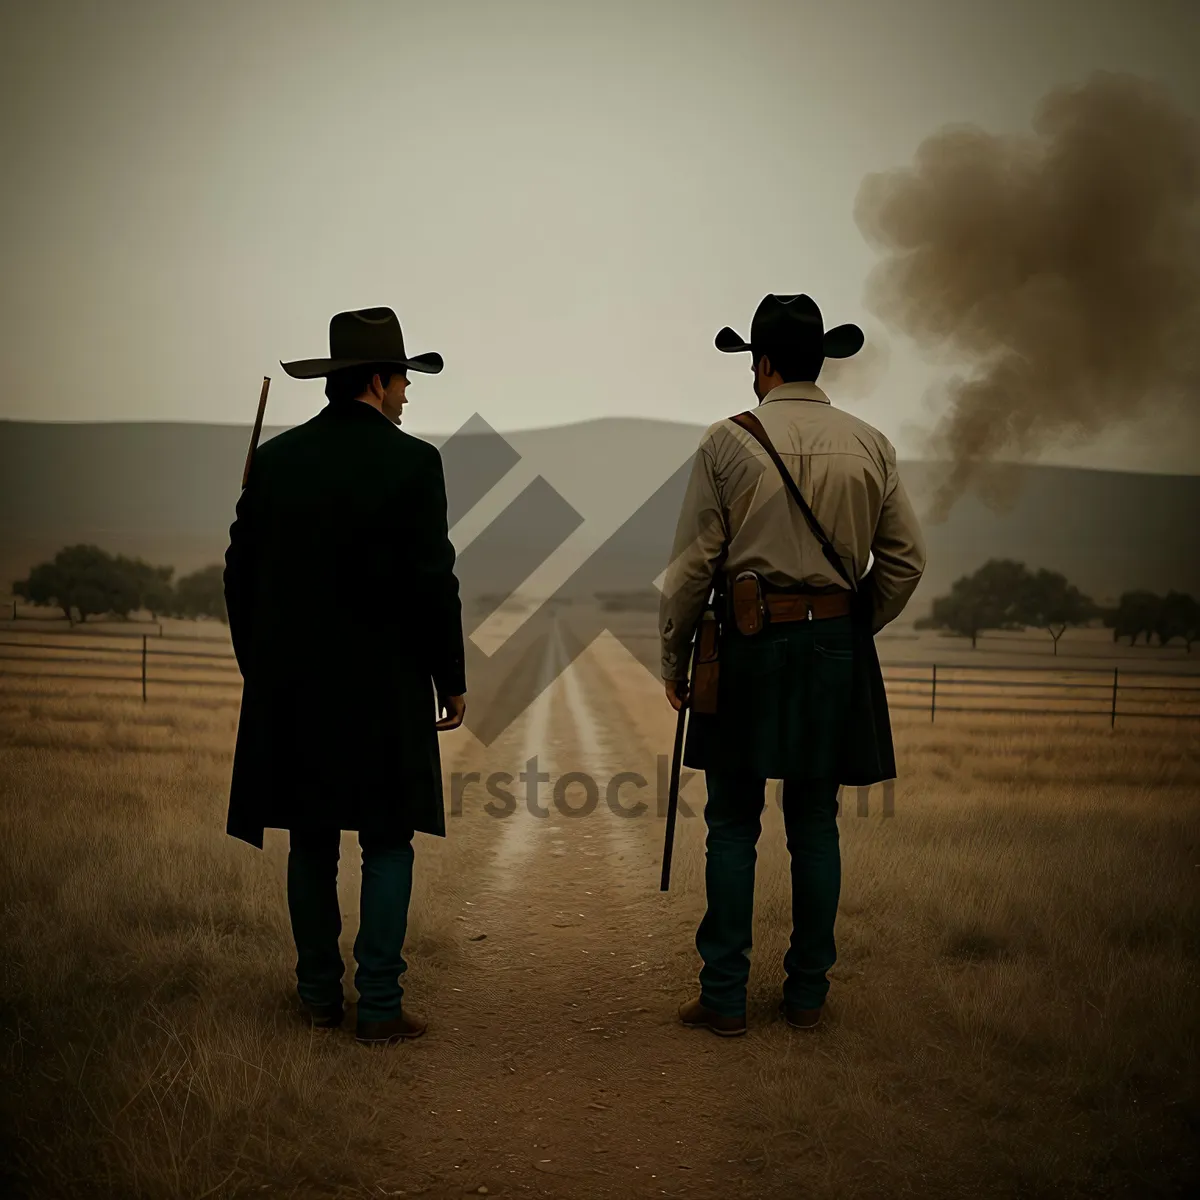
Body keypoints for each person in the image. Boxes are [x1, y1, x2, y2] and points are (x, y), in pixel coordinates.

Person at [660, 293, 926, 1036]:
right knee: (815, 823)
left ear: (765, 363)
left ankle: (724, 997)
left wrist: (674, 657)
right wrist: (850, 622)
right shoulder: (872, 442)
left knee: (732, 825)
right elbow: (907, 560)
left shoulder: (727, 442)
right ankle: (808, 996)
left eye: (752, 359)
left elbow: (691, 569)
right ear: (820, 360)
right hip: (836, 649)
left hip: (747, 647)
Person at [223, 306, 467, 1045]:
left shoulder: (276, 462)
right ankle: (383, 1009)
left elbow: (238, 574)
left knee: (311, 842)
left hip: (293, 688)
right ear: (377, 380)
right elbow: (435, 583)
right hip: (387, 690)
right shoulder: (414, 463)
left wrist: (258, 665)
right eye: (402, 380)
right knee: (389, 842)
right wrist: (449, 677)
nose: (406, 394)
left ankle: (318, 999)